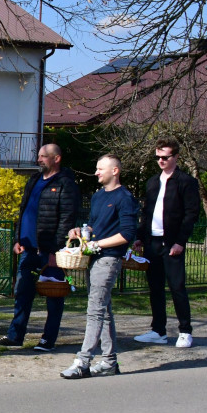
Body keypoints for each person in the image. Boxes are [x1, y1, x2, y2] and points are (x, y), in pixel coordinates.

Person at [0, 144, 80, 352]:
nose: (39, 160)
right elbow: (24, 211)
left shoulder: (66, 184)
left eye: (43, 156)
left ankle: (48, 339)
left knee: (53, 295)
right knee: (22, 294)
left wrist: (55, 251)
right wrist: (18, 238)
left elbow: (67, 219)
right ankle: (15, 336)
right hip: (27, 249)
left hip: (50, 252)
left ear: (56, 158)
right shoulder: (34, 180)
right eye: (38, 156)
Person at [60, 155, 139, 379]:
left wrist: (97, 244)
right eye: (96, 168)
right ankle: (109, 362)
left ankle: (83, 362)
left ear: (115, 171)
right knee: (103, 310)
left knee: (94, 310)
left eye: (100, 168)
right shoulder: (98, 196)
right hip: (94, 258)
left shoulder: (125, 198)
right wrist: (81, 232)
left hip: (109, 259)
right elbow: (94, 226)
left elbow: (127, 234)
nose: (96, 172)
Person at [132, 138, 201, 348]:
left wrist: (180, 242)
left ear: (176, 156)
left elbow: (191, 213)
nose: (161, 161)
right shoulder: (152, 182)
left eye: (165, 157)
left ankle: (185, 331)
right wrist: (140, 237)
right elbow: (147, 212)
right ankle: (158, 330)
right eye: (158, 157)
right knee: (155, 288)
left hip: (172, 243)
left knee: (177, 286)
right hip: (152, 242)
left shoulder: (185, 181)